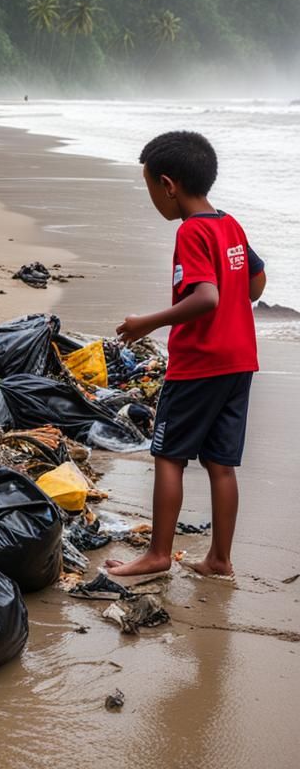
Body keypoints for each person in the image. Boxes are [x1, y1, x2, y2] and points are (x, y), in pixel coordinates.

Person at [106, 131, 266, 580]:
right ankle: (219, 559)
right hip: (240, 361)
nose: (154, 199)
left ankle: (158, 554)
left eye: (151, 188)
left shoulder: (192, 232)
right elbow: (256, 283)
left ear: (169, 185)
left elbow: (207, 297)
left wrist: (148, 323)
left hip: (199, 364)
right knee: (221, 463)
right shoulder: (229, 224)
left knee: (169, 456)